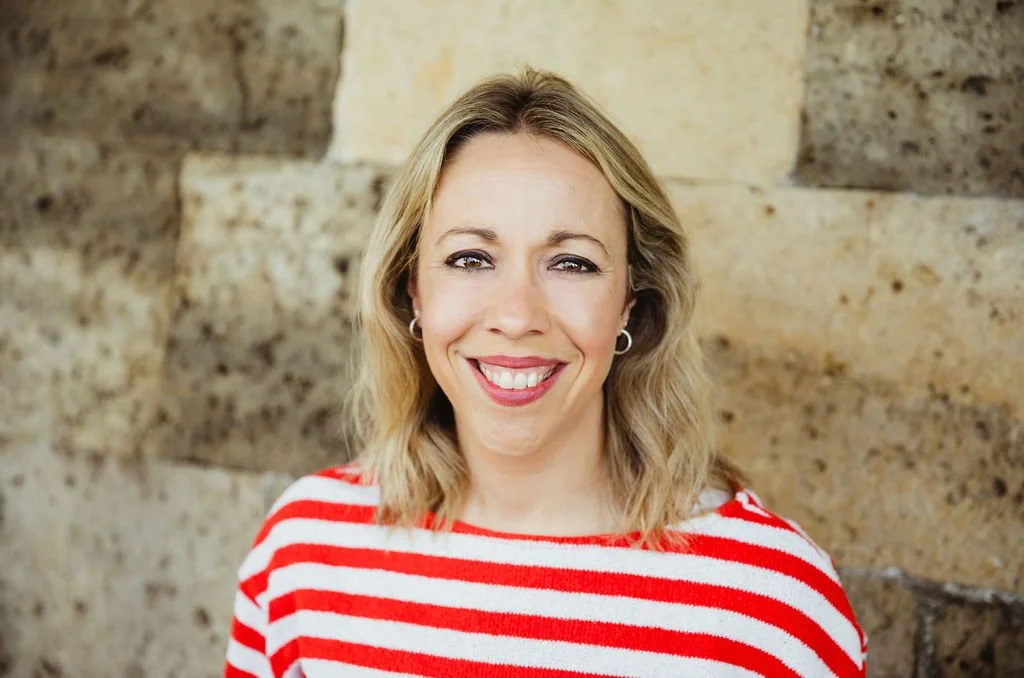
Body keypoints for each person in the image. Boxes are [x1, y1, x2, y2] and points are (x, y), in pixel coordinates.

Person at [224, 68, 867, 677]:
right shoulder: (304, 552)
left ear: (630, 302)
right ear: (413, 290)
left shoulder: (771, 606)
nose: (516, 317)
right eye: (471, 258)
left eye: (572, 264)